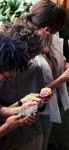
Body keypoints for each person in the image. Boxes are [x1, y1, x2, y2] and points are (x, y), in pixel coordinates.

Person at [19, 0, 69, 149]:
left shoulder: (50, 37)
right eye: (55, 30)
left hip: (60, 98)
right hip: (42, 111)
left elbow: (59, 57)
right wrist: (63, 78)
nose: (56, 33)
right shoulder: (28, 55)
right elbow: (34, 94)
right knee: (43, 142)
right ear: (47, 29)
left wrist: (65, 65)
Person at [0, 22, 47, 150]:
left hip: (32, 136)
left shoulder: (35, 69)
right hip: (5, 140)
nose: (27, 63)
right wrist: (21, 106)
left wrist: (34, 110)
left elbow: (37, 107)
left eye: (31, 58)